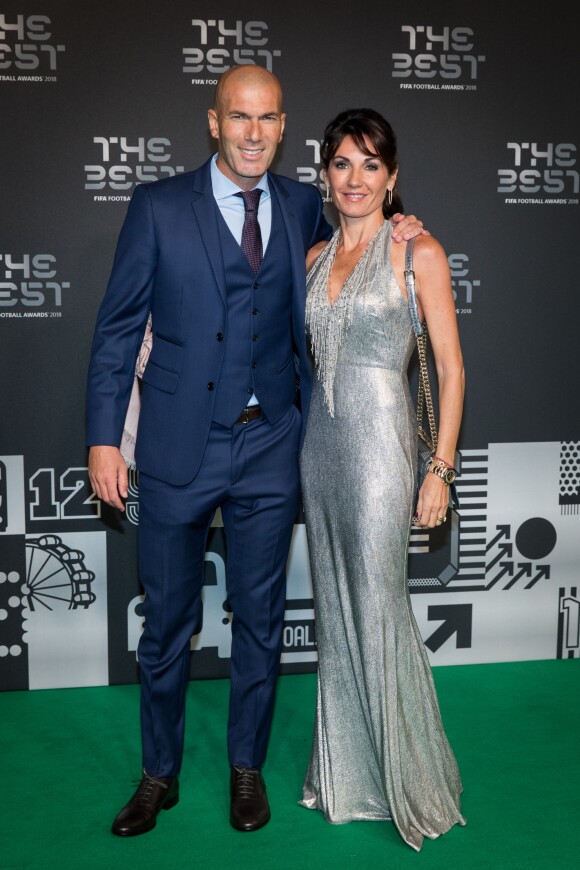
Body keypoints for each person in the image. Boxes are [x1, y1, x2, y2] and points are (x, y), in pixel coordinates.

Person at [86, 69, 424, 838]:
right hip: (177, 446)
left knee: (262, 619)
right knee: (167, 623)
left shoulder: (307, 202)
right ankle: (158, 775)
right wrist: (105, 438)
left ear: (281, 127)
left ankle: (247, 769)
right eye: (238, 117)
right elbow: (114, 332)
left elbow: (364, 235)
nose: (252, 132)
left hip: (272, 443)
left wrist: (404, 224)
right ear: (214, 122)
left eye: (267, 118)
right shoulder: (158, 207)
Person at [299, 108, 466, 851]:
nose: (356, 178)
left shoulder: (418, 250)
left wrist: (440, 467)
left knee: (379, 600)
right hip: (320, 450)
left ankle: (408, 778)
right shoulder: (309, 258)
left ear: (392, 178)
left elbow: (453, 370)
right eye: (342, 163)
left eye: (371, 165)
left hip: (381, 451)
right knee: (336, 610)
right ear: (325, 175)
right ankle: (348, 777)